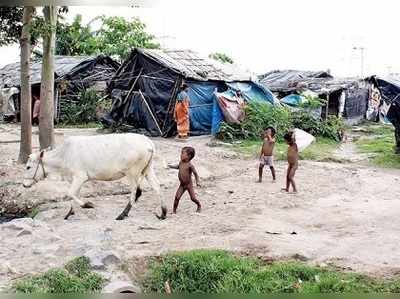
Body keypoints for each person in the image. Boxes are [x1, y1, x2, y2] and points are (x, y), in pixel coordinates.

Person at [169, 146, 201, 214]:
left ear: (189, 156)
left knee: (193, 198)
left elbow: (195, 173)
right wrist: (171, 166)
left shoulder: (190, 165)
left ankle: (199, 205)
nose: (181, 155)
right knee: (177, 197)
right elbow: (178, 167)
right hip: (182, 185)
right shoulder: (181, 162)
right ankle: (174, 211)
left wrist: (197, 181)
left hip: (189, 185)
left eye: (183, 153)